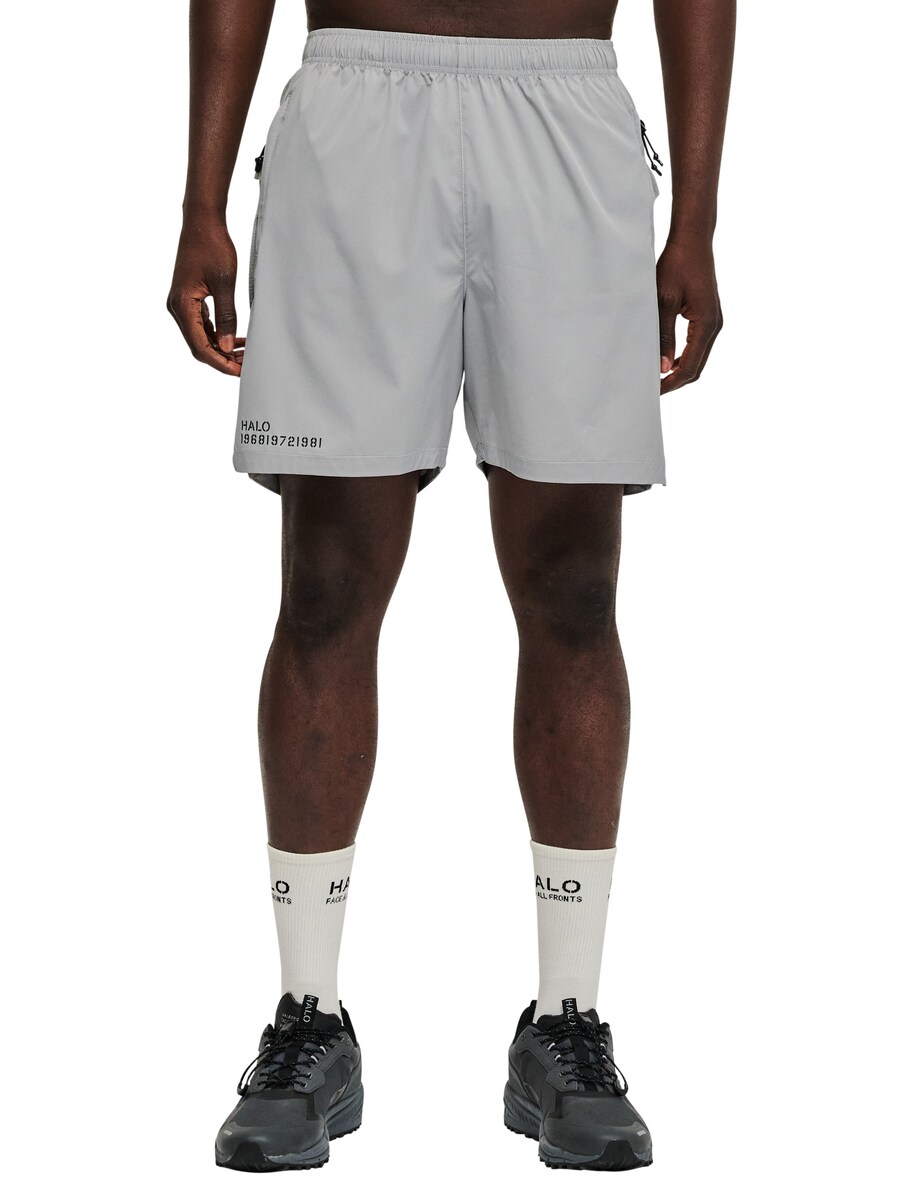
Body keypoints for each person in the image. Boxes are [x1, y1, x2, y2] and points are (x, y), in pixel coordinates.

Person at [167, 0, 733, 1173]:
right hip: (355, 99)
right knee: (326, 583)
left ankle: (567, 1023)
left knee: (574, 587)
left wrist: (698, 220)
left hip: (566, 99)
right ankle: (309, 1019)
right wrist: (199, 200)